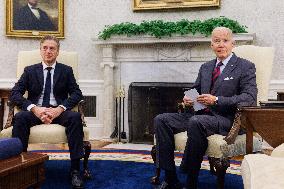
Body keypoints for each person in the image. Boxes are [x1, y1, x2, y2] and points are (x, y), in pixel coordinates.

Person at [154, 27, 257, 189]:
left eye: (225, 41)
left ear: (233, 44)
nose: (221, 44)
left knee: (196, 122)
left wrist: (216, 100)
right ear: (211, 45)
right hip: (200, 115)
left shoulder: (245, 67)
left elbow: (249, 99)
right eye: (217, 41)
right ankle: (170, 178)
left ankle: (190, 180)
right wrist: (189, 99)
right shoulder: (206, 67)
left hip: (228, 120)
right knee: (161, 120)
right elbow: (195, 91)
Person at [10, 35, 84, 188]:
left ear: (57, 52)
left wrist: (59, 109)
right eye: (45, 48)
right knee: (20, 118)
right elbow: (15, 93)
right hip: (36, 111)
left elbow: (77, 93)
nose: (48, 51)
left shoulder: (66, 70)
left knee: (75, 117)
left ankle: (75, 170)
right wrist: (34, 108)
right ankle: (20, 167)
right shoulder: (30, 71)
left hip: (58, 111)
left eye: (52, 48)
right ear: (40, 50)